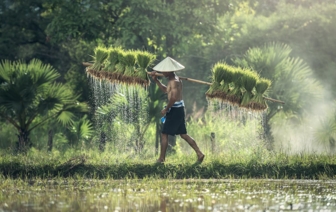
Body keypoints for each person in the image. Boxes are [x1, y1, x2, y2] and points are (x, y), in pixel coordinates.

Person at [150, 57, 205, 164]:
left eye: (164, 70)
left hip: (175, 109)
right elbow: (166, 90)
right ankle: (199, 153)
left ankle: (161, 159)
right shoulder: (175, 80)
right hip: (179, 109)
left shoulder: (174, 81)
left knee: (164, 133)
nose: (162, 72)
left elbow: (173, 98)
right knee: (183, 134)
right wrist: (156, 80)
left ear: (169, 71)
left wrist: (166, 109)